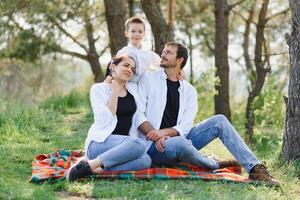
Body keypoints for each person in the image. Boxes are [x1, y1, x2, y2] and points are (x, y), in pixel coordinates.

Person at [137, 41, 280, 186]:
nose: (163, 54)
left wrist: (164, 133)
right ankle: (214, 164)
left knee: (219, 120)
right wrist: (156, 136)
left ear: (180, 60)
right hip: (154, 146)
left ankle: (255, 169)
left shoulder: (189, 90)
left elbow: (186, 125)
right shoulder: (148, 79)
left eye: (168, 52)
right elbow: (138, 115)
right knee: (180, 143)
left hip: (180, 139)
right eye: (163, 51)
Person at [65, 55, 151, 182]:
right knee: (139, 144)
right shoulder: (98, 89)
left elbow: (149, 71)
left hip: (124, 145)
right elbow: (105, 119)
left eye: (132, 68)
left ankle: (93, 168)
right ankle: (92, 164)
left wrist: (179, 72)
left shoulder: (133, 89)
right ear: (113, 66)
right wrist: (114, 91)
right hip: (100, 142)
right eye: (126, 65)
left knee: (146, 160)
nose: (129, 70)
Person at [117, 16, 161, 83]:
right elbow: (114, 70)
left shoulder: (148, 53)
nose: (137, 34)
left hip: (144, 87)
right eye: (133, 31)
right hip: (127, 86)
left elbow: (161, 65)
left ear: (144, 34)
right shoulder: (123, 52)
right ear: (126, 33)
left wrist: (178, 71)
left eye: (140, 32)